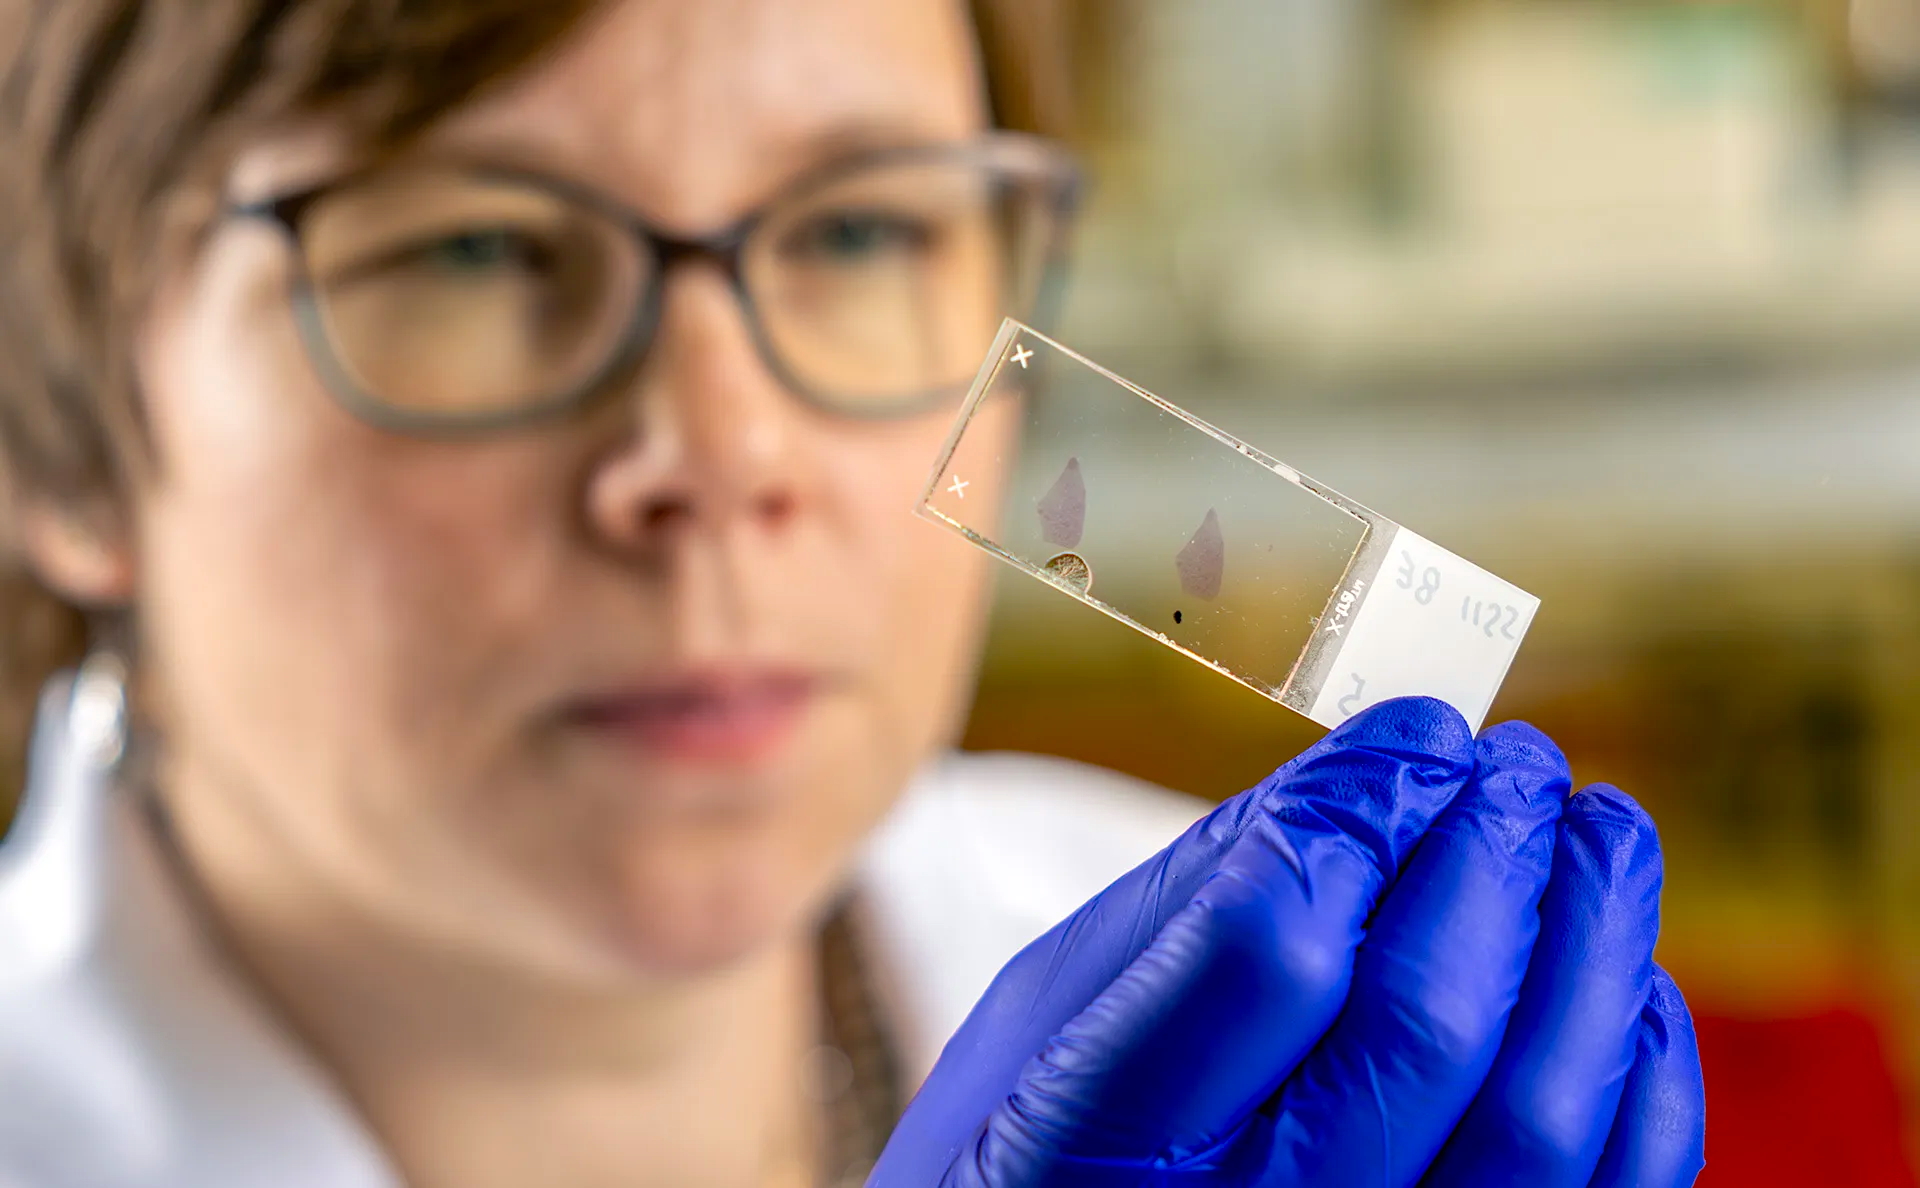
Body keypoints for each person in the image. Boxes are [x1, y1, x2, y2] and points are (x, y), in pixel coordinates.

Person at [0, 1, 1706, 1185]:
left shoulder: (1263, 1013)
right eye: (476, 248)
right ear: (51, 433)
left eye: (863, 232)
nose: (725, 448)